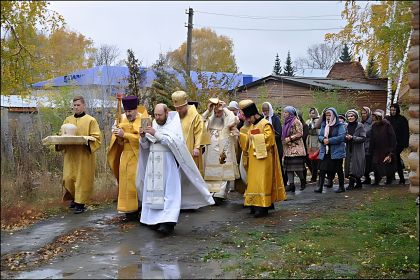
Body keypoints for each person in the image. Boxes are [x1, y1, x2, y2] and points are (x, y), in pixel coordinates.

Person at [136, 104, 215, 235]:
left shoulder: (174, 124)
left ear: (166, 113)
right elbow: (145, 146)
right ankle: (154, 220)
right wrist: (143, 137)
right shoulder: (153, 124)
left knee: (169, 193)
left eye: (159, 115)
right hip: (153, 163)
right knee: (154, 194)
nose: (157, 117)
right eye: (155, 115)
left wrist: (156, 133)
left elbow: (174, 142)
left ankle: (168, 222)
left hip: (167, 162)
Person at [238, 99, 286, 217]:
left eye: (248, 117)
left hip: (264, 159)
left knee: (262, 182)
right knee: (254, 182)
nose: (248, 120)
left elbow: (269, 140)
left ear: (253, 114)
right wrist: (239, 135)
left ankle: (263, 206)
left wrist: (250, 137)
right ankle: (255, 204)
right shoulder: (252, 125)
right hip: (254, 160)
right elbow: (247, 142)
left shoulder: (265, 124)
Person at [56, 96, 102, 214]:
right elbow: (62, 135)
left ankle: (80, 203)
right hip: (70, 155)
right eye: (74, 105)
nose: (76, 107)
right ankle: (73, 198)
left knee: (82, 179)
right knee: (68, 178)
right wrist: (58, 143)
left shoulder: (91, 120)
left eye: (78, 105)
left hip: (84, 156)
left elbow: (97, 138)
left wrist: (86, 142)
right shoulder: (67, 120)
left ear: (84, 106)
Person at [107, 95, 144, 220]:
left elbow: (143, 140)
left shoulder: (144, 119)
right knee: (125, 183)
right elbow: (120, 143)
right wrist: (117, 136)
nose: (128, 114)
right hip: (125, 155)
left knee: (136, 183)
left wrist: (126, 134)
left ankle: (140, 207)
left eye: (130, 111)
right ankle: (128, 210)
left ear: (136, 109)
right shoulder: (121, 118)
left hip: (139, 156)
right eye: (126, 111)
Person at [202, 98, 239, 204]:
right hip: (211, 154)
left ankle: (220, 194)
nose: (217, 114)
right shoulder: (210, 120)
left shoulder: (228, 120)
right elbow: (199, 122)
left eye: (219, 112)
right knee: (212, 173)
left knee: (223, 172)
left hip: (224, 151)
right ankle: (212, 193)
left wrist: (225, 108)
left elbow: (232, 119)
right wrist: (208, 111)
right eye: (216, 112)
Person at [171, 91, 209, 176]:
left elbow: (199, 132)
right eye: (176, 108)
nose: (178, 110)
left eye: (180, 108)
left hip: (191, 150)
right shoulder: (175, 116)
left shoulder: (196, 116)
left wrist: (197, 147)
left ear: (185, 105)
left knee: (192, 174)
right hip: (178, 150)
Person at [314, 107, 346, 194]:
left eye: (329, 115)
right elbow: (320, 135)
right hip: (325, 151)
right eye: (326, 115)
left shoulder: (340, 125)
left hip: (336, 151)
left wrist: (329, 140)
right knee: (322, 169)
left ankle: (341, 186)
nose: (328, 117)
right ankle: (320, 187)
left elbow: (341, 137)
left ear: (334, 115)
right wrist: (323, 139)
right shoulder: (324, 124)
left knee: (338, 169)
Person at [281, 106, 307, 192]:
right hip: (288, 149)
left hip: (296, 148)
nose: (284, 114)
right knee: (288, 168)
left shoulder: (296, 121)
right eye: (284, 112)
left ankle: (303, 181)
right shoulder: (285, 122)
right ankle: (291, 184)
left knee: (297, 168)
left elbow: (300, 133)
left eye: (286, 112)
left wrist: (290, 138)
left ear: (291, 113)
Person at [262, 102, 286, 186]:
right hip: (266, 147)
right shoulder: (262, 119)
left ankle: (282, 182)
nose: (265, 113)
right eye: (264, 111)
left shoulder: (275, 119)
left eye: (266, 111)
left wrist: (268, 137)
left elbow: (279, 133)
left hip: (276, 145)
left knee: (278, 164)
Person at [370, 109, 397, 185]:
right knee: (376, 164)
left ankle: (389, 180)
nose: (372, 118)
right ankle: (377, 179)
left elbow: (392, 137)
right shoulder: (374, 125)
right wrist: (371, 149)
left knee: (387, 164)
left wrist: (390, 150)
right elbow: (372, 138)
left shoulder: (387, 125)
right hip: (376, 149)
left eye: (374, 116)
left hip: (386, 148)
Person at [386, 103, 409, 184]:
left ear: (397, 110)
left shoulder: (402, 119)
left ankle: (397, 178)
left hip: (399, 143)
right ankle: (393, 178)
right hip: (390, 143)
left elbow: (405, 132)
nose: (392, 112)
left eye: (394, 110)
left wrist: (405, 143)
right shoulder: (388, 119)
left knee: (394, 158)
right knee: (394, 160)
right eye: (391, 110)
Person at [343, 109, 366, 190]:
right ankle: (358, 183)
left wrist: (353, 138)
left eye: (352, 116)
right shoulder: (345, 126)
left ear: (355, 116)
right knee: (350, 166)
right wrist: (345, 138)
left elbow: (363, 138)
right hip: (349, 148)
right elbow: (343, 137)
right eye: (348, 116)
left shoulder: (360, 126)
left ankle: (351, 184)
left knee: (355, 166)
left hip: (358, 149)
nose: (350, 117)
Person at [306, 107, 321, 182]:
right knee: (311, 160)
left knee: (316, 160)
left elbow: (319, 133)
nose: (311, 114)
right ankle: (314, 176)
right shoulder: (309, 121)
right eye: (310, 113)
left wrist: (319, 145)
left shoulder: (318, 121)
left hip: (316, 141)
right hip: (310, 141)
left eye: (313, 113)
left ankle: (315, 177)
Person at [360, 106, 373, 184]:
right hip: (362, 146)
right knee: (364, 164)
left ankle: (372, 178)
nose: (363, 115)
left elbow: (367, 132)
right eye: (362, 113)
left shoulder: (371, 122)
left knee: (369, 164)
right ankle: (367, 178)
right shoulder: (361, 122)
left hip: (369, 145)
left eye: (365, 113)